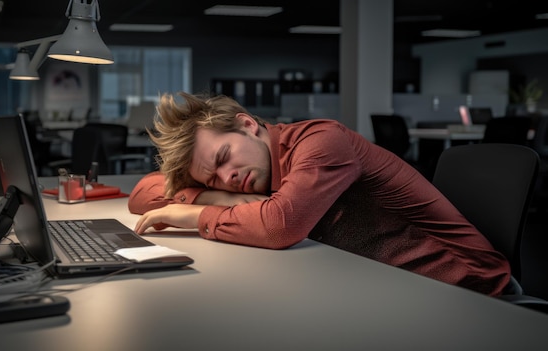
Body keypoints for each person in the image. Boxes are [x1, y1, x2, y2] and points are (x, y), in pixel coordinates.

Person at [128, 91, 511, 297]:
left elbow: (280, 225)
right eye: (212, 179)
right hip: (377, 285)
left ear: (247, 125)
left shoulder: (321, 140)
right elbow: (143, 194)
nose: (227, 178)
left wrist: (194, 215)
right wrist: (220, 200)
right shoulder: (246, 179)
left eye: (224, 158)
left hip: (464, 290)